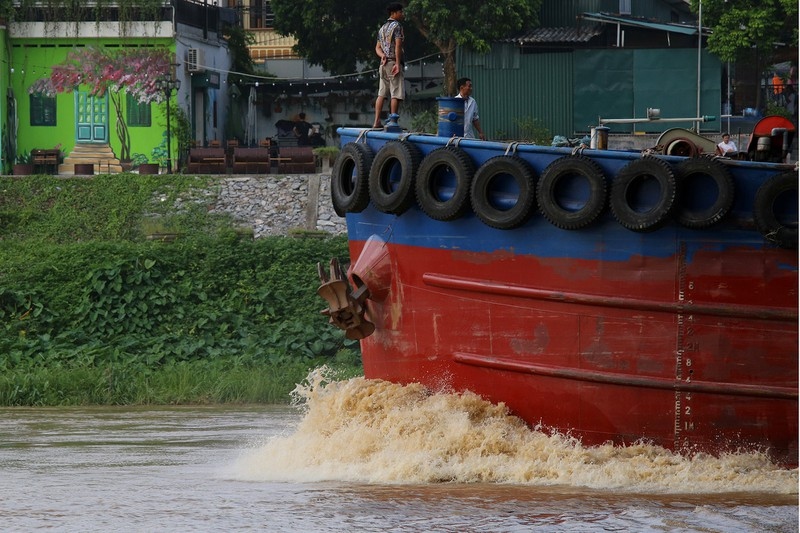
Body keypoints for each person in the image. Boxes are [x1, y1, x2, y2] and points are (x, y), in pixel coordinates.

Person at [372, 3, 405, 128]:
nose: (402, 14)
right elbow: (398, 46)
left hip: (383, 64)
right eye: (401, 12)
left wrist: (382, 56)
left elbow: (377, 48)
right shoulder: (397, 26)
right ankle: (393, 121)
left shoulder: (382, 28)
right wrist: (397, 63)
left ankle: (376, 121)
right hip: (392, 63)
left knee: (381, 93)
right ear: (394, 13)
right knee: (395, 92)